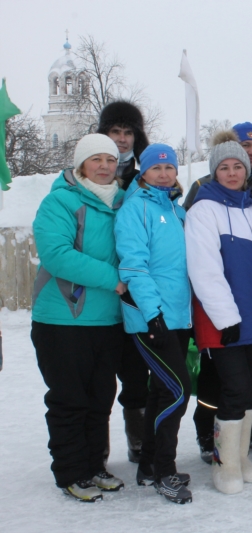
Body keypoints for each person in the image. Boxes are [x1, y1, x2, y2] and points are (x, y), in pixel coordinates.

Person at [31, 134, 127, 502]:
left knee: (101, 398)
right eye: (95, 159)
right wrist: (114, 281)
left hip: (108, 321)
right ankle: (72, 472)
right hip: (63, 321)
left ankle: (94, 465)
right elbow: (57, 255)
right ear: (80, 164)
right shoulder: (60, 201)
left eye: (110, 159)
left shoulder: (122, 202)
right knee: (70, 399)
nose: (104, 166)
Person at [185, 131, 252, 494]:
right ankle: (224, 466)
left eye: (237, 166)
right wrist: (226, 318)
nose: (231, 172)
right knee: (235, 390)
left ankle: (241, 458)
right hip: (225, 322)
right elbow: (204, 269)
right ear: (214, 172)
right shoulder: (203, 210)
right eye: (223, 167)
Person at [114, 144, 193, 504]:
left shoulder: (177, 211)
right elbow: (133, 266)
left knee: (162, 392)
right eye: (156, 168)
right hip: (151, 318)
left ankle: (147, 466)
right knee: (178, 390)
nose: (164, 173)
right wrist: (152, 313)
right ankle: (165, 471)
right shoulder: (135, 209)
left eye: (169, 168)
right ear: (143, 172)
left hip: (178, 316)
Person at [97, 100, 151, 463]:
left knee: (135, 372)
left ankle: (138, 437)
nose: (121, 139)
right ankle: (96, 445)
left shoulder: (147, 173)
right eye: (115, 132)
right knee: (98, 375)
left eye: (127, 132)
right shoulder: (93, 172)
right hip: (100, 291)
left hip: (137, 289)